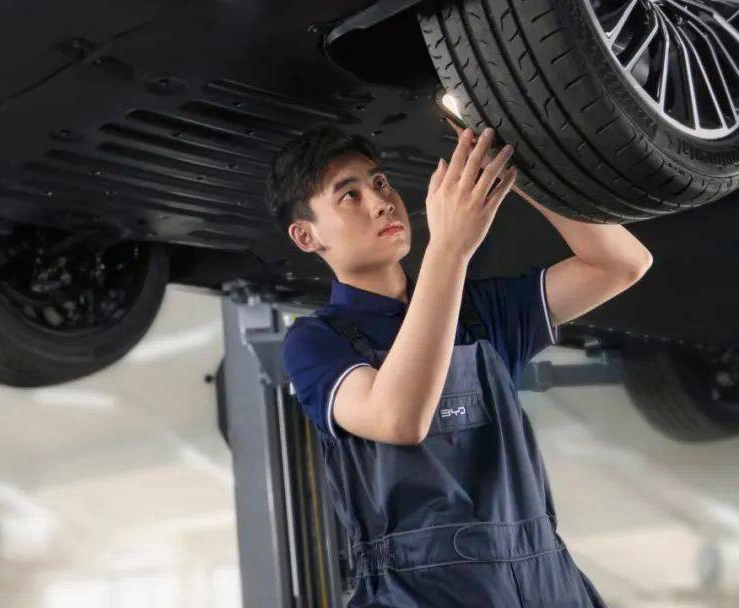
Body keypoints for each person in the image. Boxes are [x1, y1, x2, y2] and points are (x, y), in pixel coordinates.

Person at [269, 123, 653, 607]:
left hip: (547, 583)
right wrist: (449, 248)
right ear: (306, 236)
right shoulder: (316, 343)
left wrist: (522, 163)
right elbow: (399, 418)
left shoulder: (478, 312)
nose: (382, 202)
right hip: (422, 594)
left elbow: (622, 263)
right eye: (350, 196)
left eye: (380, 182)